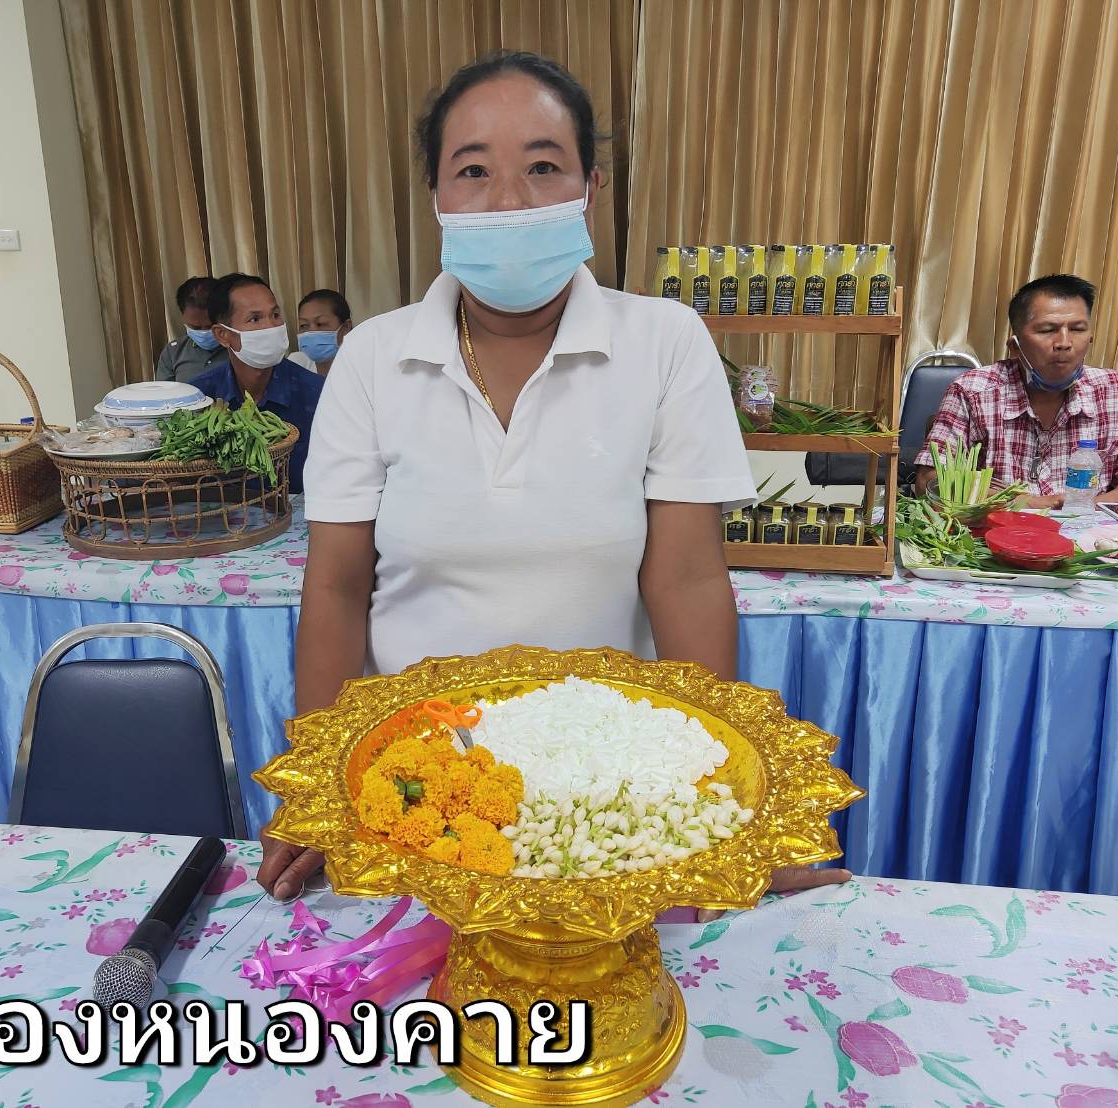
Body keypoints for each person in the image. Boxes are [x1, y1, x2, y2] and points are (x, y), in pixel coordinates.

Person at [257, 50, 845, 901]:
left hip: (610, 795)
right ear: (433, 196)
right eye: (473, 170)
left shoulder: (664, 343)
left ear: (589, 189)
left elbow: (684, 579)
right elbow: (339, 588)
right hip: (421, 789)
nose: (507, 200)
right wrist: (317, 792)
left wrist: (717, 802)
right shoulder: (374, 359)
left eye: (542, 168)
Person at [915, 274, 1118, 508]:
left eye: (1077, 329)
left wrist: (1087, 507)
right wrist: (1028, 503)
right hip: (998, 534)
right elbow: (930, 481)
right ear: (1015, 345)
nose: (1064, 343)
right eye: (1047, 330)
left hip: (1089, 535)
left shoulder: (1117, 391)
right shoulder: (973, 391)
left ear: (1091, 337)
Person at [189, 273, 324, 494]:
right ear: (222, 335)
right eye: (255, 319)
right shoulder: (200, 399)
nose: (272, 326)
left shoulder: (318, 395)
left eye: (275, 315)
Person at [154, 276, 229, 384]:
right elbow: (164, 396)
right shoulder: (173, 353)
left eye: (210, 327)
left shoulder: (241, 348)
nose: (204, 332)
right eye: (196, 327)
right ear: (183, 317)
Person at [291, 288, 354, 375]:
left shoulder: (362, 368)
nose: (312, 332)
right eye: (304, 325)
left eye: (320, 324)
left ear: (345, 328)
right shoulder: (296, 364)